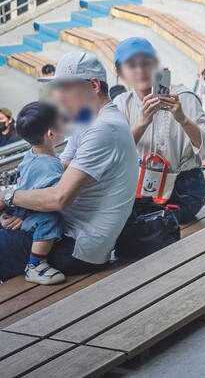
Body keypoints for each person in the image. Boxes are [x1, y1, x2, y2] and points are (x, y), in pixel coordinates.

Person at [0, 51, 138, 281]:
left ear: (94, 85)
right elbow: (59, 167)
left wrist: (9, 197)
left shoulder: (104, 128)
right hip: (66, 233)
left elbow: (59, 198)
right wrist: (25, 210)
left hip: (74, 247)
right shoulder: (90, 121)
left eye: (65, 88)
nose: (59, 97)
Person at [113, 37, 205, 224]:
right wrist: (142, 122)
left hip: (184, 191)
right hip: (140, 190)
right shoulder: (122, 103)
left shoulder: (184, 97)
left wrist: (183, 119)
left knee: (141, 226)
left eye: (145, 62)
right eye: (131, 65)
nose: (140, 70)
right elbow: (114, 155)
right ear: (120, 73)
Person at [9, 101, 68, 284]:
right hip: (31, 213)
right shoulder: (48, 164)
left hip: (21, 209)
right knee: (51, 220)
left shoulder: (33, 154)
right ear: (51, 133)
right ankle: (36, 265)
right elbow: (55, 196)